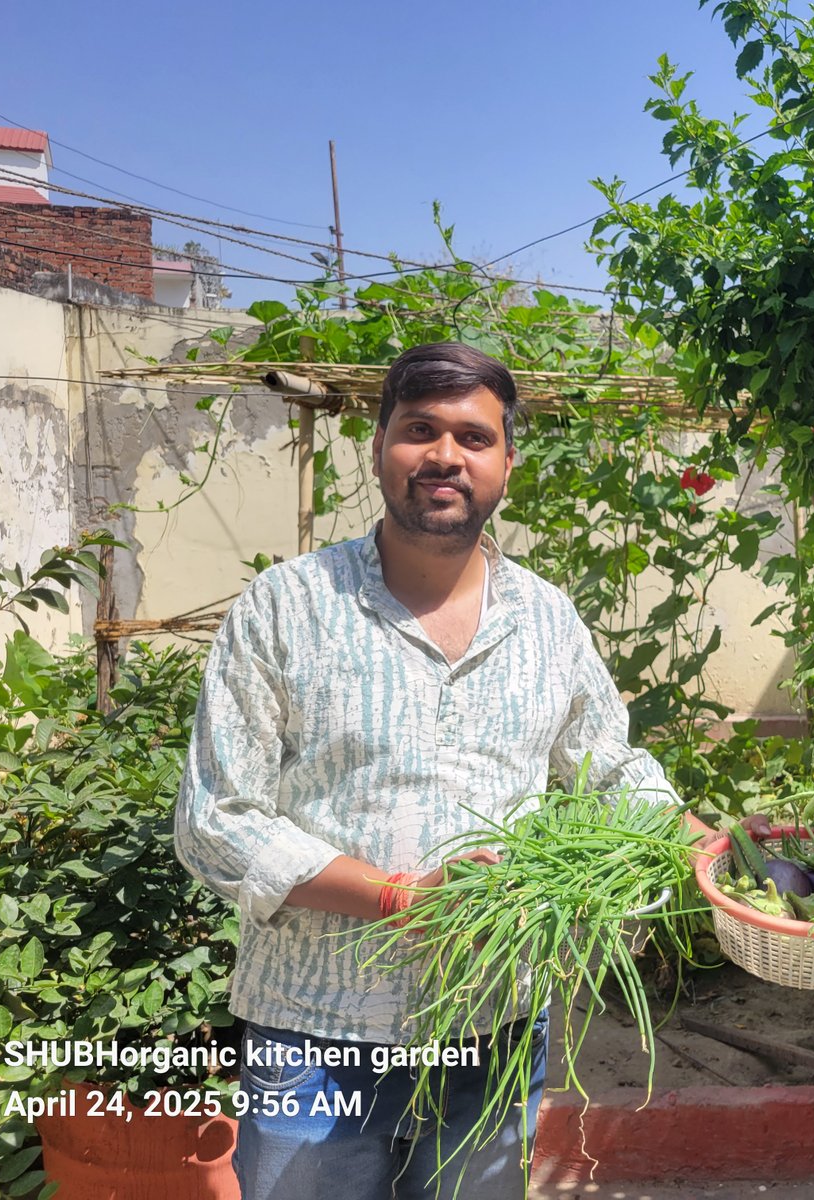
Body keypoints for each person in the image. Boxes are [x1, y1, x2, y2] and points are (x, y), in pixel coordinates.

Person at [175, 342, 684, 1200]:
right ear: (379, 448)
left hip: (493, 1019)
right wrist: (398, 900)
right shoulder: (287, 606)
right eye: (421, 430)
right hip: (318, 1027)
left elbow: (610, 767)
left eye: (475, 438)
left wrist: (700, 839)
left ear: (507, 464)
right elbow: (217, 819)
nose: (446, 456)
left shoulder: (546, 618)